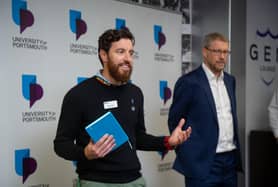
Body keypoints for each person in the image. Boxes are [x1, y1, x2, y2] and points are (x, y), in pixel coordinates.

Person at [53, 28, 191, 187]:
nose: (128, 59)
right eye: (120, 52)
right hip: (96, 182)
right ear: (103, 55)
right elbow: (61, 144)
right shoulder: (79, 94)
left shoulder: (135, 93)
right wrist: (85, 153)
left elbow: (138, 137)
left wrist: (168, 141)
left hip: (134, 181)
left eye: (131, 53)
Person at [168, 32, 242, 187]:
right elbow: (175, 122)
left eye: (225, 52)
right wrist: (190, 157)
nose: (222, 56)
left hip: (229, 161)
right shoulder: (188, 82)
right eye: (217, 51)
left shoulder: (230, 81)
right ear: (205, 52)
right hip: (202, 164)